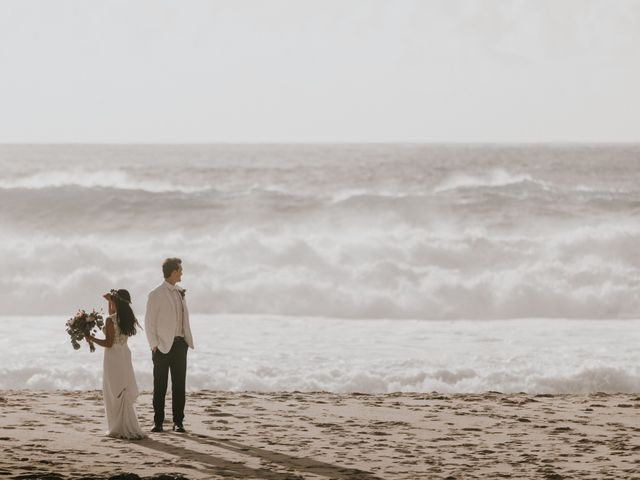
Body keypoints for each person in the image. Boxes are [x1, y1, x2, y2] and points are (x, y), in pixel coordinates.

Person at [86, 289, 146, 440]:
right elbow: (112, 318)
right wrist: (111, 301)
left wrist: (91, 338)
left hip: (113, 357)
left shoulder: (110, 320)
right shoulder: (127, 318)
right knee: (122, 389)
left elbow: (108, 342)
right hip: (124, 354)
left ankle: (118, 426)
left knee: (113, 391)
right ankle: (126, 424)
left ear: (116, 302)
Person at [145, 257, 194, 433]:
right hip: (162, 346)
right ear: (173, 272)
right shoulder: (156, 294)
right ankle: (158, 422)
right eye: (180, 270)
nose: (182, 273)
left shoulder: (180, 292)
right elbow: (149, 322)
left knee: (179, 385)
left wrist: (187, 341)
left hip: (181, 345)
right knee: (160, 385)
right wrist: (154, 344)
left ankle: (178, 422)